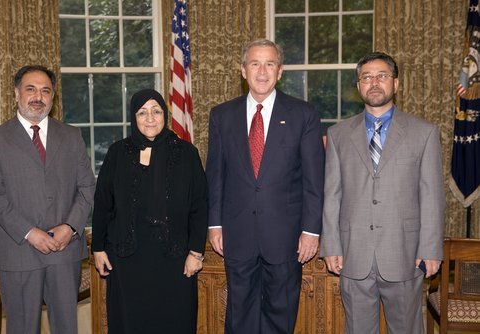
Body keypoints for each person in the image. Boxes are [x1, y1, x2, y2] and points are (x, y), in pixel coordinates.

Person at [320, 52, 445, 334]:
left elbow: (432, 196)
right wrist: (331, 245)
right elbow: (333, 193)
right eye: (366, 77)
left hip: (405, 253)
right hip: (354, 255)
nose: (374, 82)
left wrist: (431, 248)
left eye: (382, 76)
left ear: (396, 84)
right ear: (358, 85)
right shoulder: (338, 134)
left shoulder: (424, 132)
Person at [206, 38, 325, 333]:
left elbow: (314, 179)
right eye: (255, 64)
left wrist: (311, 231)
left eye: (269, 64)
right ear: (243, 70)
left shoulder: (304, 114)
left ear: (280, 71)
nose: (262, 71)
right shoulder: (222, 115)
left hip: (286, 237)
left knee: (280, 315)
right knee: (239, 314)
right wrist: (214, 224)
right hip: (237, 233)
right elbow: (215, 175)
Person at [0, 65, 95, 334]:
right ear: (16, 93)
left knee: (66, 327)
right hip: (20, 253)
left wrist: (71, 227)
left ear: (53, 98)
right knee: (21, 328)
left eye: (46, 91)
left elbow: (87, 186)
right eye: (30, 89)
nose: (38, 96)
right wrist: (30, 233)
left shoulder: (71, 136)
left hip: (64, 251)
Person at [91, 89, 208, 334]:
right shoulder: (117, 152)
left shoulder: (187, 153)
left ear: (165, 114)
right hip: (127, 259)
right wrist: (98, 248)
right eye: (142, 112)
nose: (150, 118)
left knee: (174, 321)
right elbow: (103, 203)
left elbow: (200, 205)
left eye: (156, 111)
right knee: (131, 322)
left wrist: (196, 253)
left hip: (174, 259)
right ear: (134, 118)